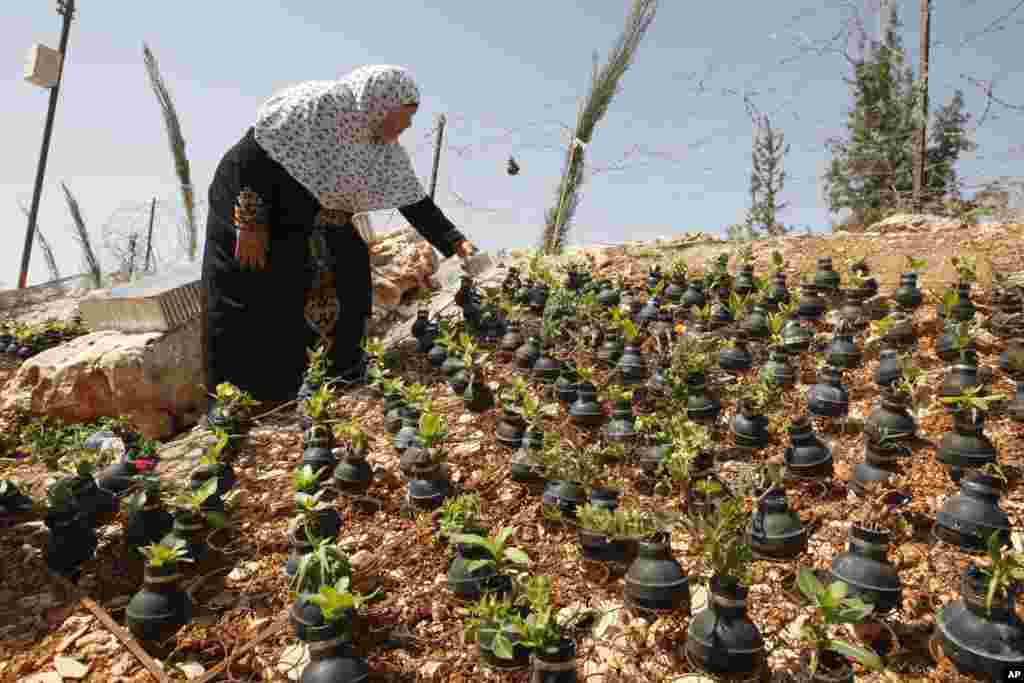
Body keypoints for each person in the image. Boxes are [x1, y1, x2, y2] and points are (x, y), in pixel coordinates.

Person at [202, 65, 477, 406]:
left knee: (349, 265)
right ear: (380, 104)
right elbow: (254, 154)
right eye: (404, 116)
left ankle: (340, 369)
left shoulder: (381, 147)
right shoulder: (316, 106)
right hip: (251, 198)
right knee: (250, 286)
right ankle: (239, 399)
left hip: (309, 212)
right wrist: (250, 219)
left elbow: (414, 200)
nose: (407, 126)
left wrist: (454, 241)